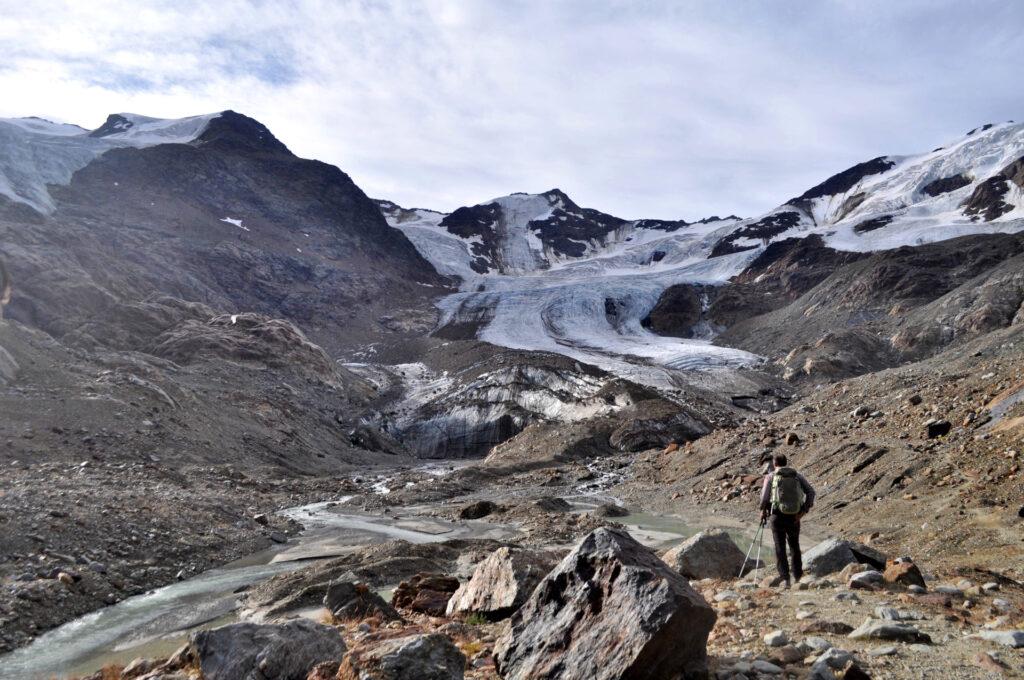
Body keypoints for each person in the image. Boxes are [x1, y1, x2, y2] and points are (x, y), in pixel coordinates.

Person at [759, 453, 815, 588]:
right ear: (786, 462)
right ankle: (798, 576)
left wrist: (762, 511)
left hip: (776, 516)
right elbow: (811, 492)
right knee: (794, 546)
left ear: (774, 463)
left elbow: (764, 498)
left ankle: (785, 578)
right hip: (794, 516)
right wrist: (803, 512)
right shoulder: (797, 475)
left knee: (780, 547)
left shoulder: (771, 476)